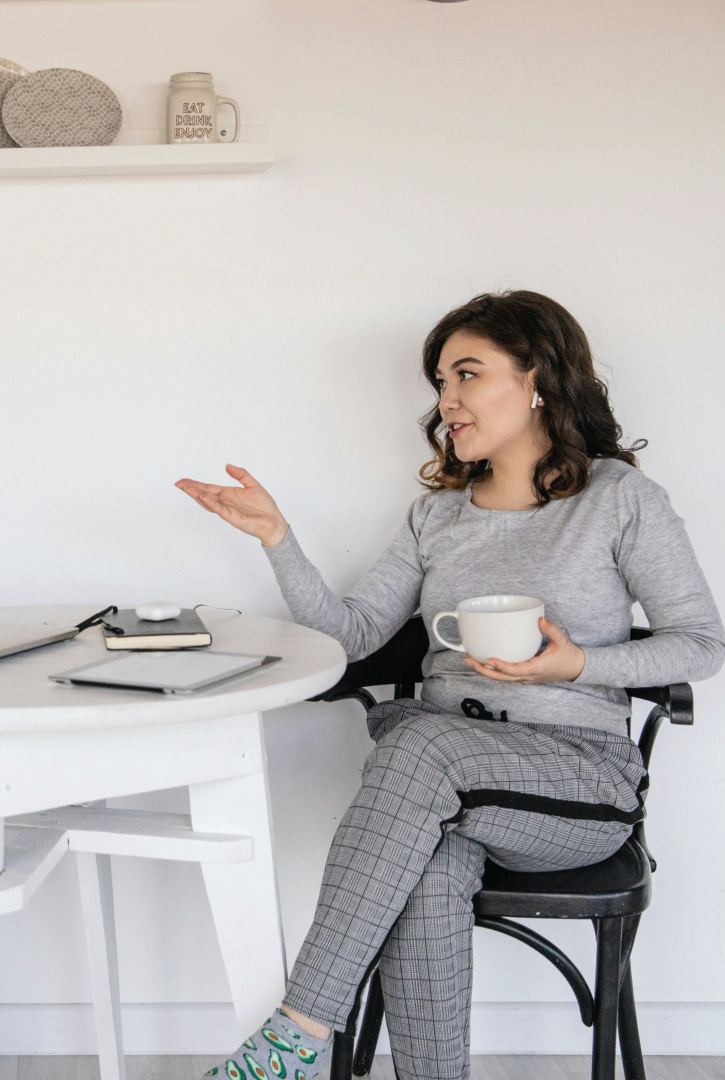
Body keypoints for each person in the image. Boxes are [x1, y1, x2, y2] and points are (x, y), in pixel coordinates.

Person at [177, 291, 723, 1080]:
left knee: (419, 744)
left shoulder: (619, 500)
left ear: (538, 378)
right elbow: (354, 639)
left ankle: (296, 1035)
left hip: (575, 781)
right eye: (440, 382)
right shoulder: (437, 516)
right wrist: (278, 540)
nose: (447, 400)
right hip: (442, 785)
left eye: (467, 374)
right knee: (426, 860)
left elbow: (701, 646)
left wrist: (578, 666)